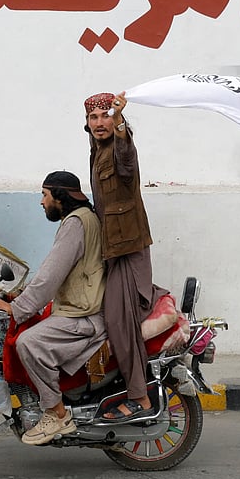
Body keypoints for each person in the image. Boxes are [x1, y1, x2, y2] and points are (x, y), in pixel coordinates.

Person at [0, 171, 107, 445]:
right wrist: (19, 293)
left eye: (44, 195)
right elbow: (54, 272)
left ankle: (56, 413)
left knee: (28, 342)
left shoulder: (76, 223)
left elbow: (51, 275)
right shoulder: (79, 220)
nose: (41, 202)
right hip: (79, 309)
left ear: (59, 196)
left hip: (83, 316)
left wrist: (17, 308)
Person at [84, 91, 164, 421]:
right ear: (86, 123)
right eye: (95, 117)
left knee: (120, 320)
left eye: (106, 116)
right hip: (113, 251)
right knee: (104, 315)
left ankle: (140, 398)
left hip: (129, 249)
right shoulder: (96, 152)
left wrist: (121, 124)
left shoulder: (117, 147)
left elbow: (127, 161)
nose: (100, 123)